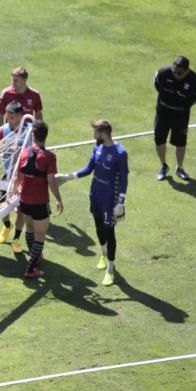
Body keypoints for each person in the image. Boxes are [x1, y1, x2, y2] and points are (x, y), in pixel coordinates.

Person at [56, 120, 128, 286]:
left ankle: (110, 269)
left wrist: (120, 202)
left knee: (109, 232)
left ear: (102, 132)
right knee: (98, 227)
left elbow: (124, 179)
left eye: (95, 131)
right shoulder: (97, 148)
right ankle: (103, 255)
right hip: (95, 195)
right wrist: (67, 177)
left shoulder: (120, 152)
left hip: (110, 199)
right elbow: (88, 169)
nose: (93, 134)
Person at [12, 120, 62, 279]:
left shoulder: (24, 153)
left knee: (30, 230)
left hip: (25, 201)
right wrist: (59, 199)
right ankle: (30, 268)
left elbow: (17, 178)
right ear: (45, 136)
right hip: (40, 202)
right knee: (40, 235)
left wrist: (13, 195)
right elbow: (51, 181)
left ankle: (36, 258)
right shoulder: (49, 157)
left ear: (32, 135)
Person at [153, 56, 196, 181]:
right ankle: (164, 166)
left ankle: (180, 168)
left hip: (181, 116)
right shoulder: (163, 73)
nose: (176, 74)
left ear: (187, 70)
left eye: (179, 73)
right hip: (162, 113)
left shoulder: (195, 81)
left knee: (180, 143)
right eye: (174, 71)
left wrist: (182, 106)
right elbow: (157, 85)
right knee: (159, 140)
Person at [0, 101, 31, 251]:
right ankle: (7, 226)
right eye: (8, 117)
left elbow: (34, 152)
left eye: (13, 117)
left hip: (23, 177)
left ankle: (16, 238)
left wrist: (22, 154)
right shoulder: (2, 131)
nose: (10, 120)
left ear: (21, 116)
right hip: (7, 175)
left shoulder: (29, 131)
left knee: (21, 209)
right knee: (3, 206)